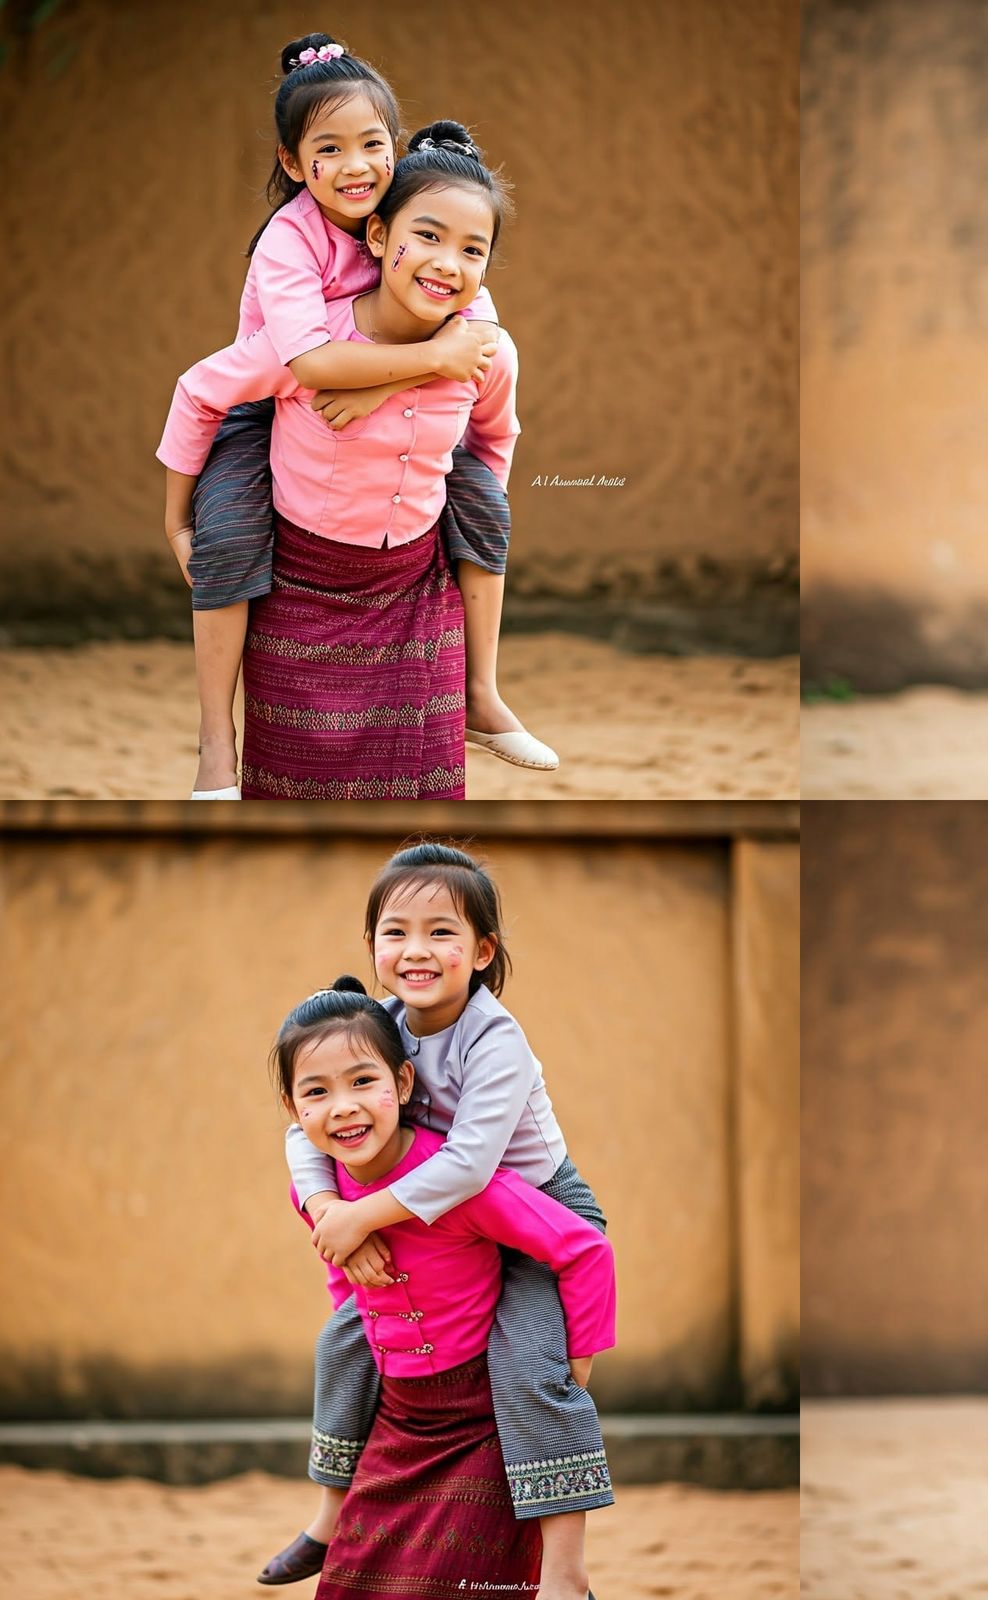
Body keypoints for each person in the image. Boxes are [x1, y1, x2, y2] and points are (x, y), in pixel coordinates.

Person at [166, 32, 553, 800]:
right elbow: (308, 364)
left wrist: (396, 383)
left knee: (485, 498)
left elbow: (474, 329)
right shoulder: (291, 240)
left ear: (393, 147)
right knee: (226, 538)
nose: (355, 165)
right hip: (268, 399)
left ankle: (482, 692)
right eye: (329, 149)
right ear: (292, 162)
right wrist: (174, 519)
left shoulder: (412, 224)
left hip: (377, 410)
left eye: (373, 144)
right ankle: (215, 742)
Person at [263, 843, 610, 1600]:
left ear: (483, 952)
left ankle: (566, 1575)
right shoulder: (376, 1027)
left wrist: (361, 1218)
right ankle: (328, 1517)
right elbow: (302, 1131)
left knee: (530, 1374)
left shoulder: (495, 1039)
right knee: (344, 1342)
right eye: (396, 932)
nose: (416, 950)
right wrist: (328, 1209)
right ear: (372, 946)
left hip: (536, 1213)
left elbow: (470, 1165)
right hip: (435, 1213)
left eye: (441, 932)